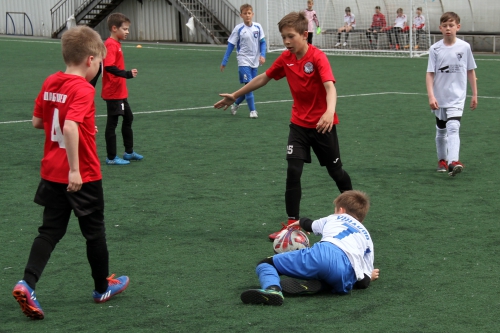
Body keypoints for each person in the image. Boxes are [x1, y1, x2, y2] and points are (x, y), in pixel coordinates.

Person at [12, 26, 129, 320]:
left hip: (51, 171)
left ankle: (27, 283)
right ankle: (102, 288)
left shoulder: (52, 80)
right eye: (100, 63)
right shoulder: (83, 89)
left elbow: (38, 122)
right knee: (94, 234)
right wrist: (75, 170)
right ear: (91, 60)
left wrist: (73, 125)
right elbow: (68, 126)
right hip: (82, 175)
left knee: (49, 231)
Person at [214, 11, 353, 241]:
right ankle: (292, 224)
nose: (286, 42)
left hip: (322, 125)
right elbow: (264, 77)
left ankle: (354, 213)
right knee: (293, 170)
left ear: (304, 35)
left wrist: (329, 112)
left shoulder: (318, 57)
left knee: (336, 172)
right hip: (298, 124)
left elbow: (330, 87)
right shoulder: (286, 58)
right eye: (283, 37)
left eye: (290, 37)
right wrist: (236, 95)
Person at [239, 191, 379, 306]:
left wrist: (299, 222)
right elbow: (363, 283)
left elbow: (310, 224)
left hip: (323, 254)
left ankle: (272, 289)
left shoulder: (336, 218)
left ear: (341, 210)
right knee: (343, 279)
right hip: (345, 273)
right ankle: (321, 285)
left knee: (265, 264)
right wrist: (369, 277)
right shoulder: (367, 238)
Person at [426, 12, 477, 176]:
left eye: (451, 25)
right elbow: (430, 73)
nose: (448, 28)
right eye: (445, 26)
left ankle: (453, 161)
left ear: (458, 27)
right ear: (440, 28)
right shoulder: (435, 49)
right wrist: (431, 96)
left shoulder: (464, 47)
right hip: (440, 96)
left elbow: (470, 70)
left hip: (457, 97)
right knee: (441, 130)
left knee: (453, 127)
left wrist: (475, 94)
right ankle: (442, 160)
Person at [102, 13, 143, 165]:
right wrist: (127, 74)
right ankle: (111, 157)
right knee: (112, 124)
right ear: (114, 28)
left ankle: (128, 152)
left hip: (120, 91)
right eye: (124, 29)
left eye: (127, 29)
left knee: (128, 118)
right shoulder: (111, 44)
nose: (127, 32)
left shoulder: (116, 43)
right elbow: (109, 67)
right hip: (113, 92)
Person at [220, 3, 266, 119]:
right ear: (241, 15)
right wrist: (224, 61)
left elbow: (263, 42)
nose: (247, 15)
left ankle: (236, 103)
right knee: (249, 84)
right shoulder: (238, 29)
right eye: (245, 13)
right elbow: (231, 45)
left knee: (250, 87)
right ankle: (253, 111)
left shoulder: (258, 27)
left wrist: (263, 55)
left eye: (249, 13)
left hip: (254, 62)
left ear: (252, 14)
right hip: (243, 61)